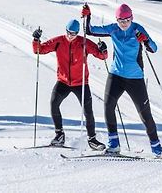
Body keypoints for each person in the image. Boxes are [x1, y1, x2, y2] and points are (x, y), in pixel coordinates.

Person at [82, 2, 162, 158]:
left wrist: (145, 41)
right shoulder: (113, 29)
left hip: (135, 77)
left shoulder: (137, 29)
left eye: (126, 20)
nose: (123, 24)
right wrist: (87, 16)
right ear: (117, 20)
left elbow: (154, 48)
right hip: (116, 75)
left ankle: (156, 148)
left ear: (131, 18)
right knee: (108, 106)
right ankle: (114, 145)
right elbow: (89, 30)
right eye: (120, 21)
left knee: (145, 114)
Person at [32, 19, 108, 150]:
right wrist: (35, 39)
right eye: (69, 32)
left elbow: (102, 56)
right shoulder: (59, 41)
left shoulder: (83, 43)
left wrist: (103, 49)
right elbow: (39, 50)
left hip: (81, 83)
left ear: (77, 33)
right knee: (54, 103)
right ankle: (59, 135)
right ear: (65, 30)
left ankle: (92, 140)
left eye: (73, 33)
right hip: (63, 81)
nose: (70, 35)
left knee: (88, 111)